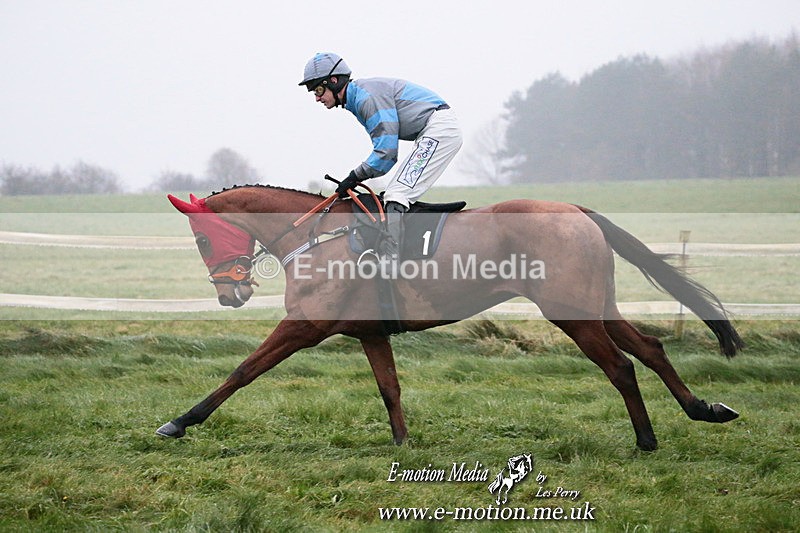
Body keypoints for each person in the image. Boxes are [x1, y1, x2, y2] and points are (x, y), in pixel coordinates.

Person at [299, 52, 462, 259]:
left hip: (439, 129)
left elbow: (387, 153)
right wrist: (357, 176)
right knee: (395, 193)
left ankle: (391, 258)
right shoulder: (358, 98)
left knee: (397, 194)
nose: (317, 98)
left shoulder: (366, 98)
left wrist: (355, 176)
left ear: (334, 80)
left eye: (319, 89)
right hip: (434, 129)